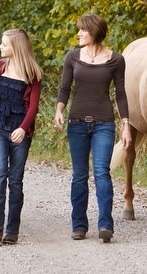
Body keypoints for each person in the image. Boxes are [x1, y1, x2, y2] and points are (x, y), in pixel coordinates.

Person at [54, 13, 131, 243]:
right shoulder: (72, 57)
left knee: (101, 173)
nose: (78, 33)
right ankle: (79, 225)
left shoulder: (115, 59)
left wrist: (125, 125)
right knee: (79, 176)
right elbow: (65, 88)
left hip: (104, 124)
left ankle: (105, 225)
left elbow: (121, 94)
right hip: (76, 123)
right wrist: (59, 110)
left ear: (94, 32)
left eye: (82, 30)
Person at [0, 29, 43, 246]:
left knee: (15, 179)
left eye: (4, 44)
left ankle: (12, 229)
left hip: (20, 131)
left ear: (16, 47)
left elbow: (33, 107)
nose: (0, 47)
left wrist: (23, 129)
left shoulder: (32, 73)